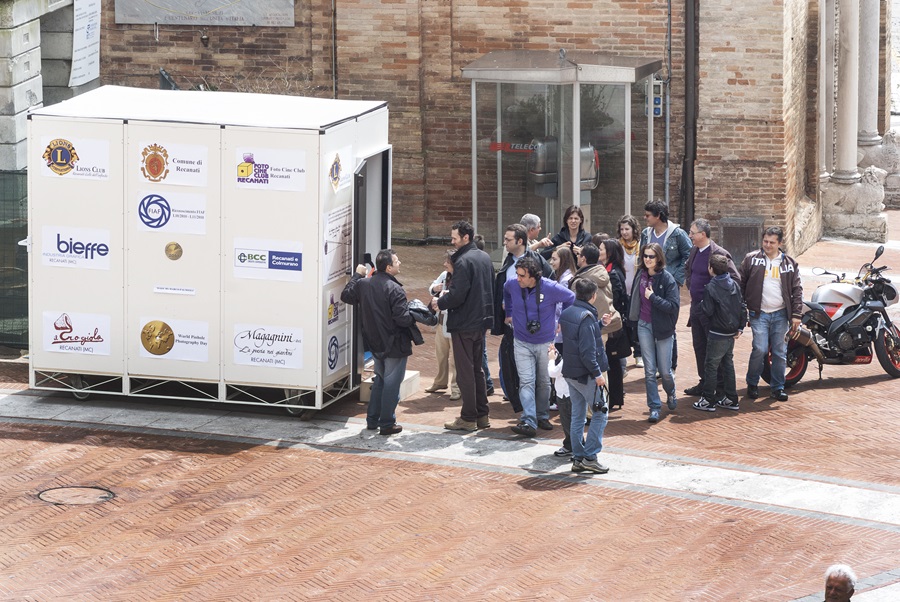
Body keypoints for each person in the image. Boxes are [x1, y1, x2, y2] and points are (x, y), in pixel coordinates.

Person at [340, 249, 413, 436]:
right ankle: (387, 423)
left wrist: (357, 275)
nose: (400, 263)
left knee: (380, 379)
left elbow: (346, 295)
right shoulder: (395, 289)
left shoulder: (364, 284)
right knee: (391, 384)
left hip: (375, 343)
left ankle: (372, 420)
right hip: (394, 345)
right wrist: (415, 313)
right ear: (388, 267)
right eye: (397, 261)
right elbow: (403, 319)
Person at [432, 220, 494, 431]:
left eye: (454, 238)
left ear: (465, 238)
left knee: (465, 371)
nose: (452, 242)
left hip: (464, 322)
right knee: (477, 369)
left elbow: (457, 295)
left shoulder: (463, 261)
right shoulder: (484, 257)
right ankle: (482, 414)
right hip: (480, 321)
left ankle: (468, 417)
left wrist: (439, 302)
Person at [504, 256, 575, 437]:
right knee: (526, 381)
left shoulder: (550, 287)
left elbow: (570, 297)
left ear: (533, 276)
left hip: (545, 342)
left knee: (543, 382)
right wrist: (509, 312)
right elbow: (505, 290)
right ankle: (528, 420)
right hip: (521, 341)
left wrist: (561, 319)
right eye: (517, 274)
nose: (518, 278)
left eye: (522, 276)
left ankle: (542, 415)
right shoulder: (512, 284)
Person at [739, 226, 803, 402]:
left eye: (772, 242)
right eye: (765, 241)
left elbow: (797, 290)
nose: (767, 245)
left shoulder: (789, 263)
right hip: (758, 313)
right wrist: (742, 308)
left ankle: (777, 387)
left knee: (779, 351)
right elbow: (741, 284)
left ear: (780, 243)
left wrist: (796, 314)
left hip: (780, 314)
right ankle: (752, 383)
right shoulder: (751, 259)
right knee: (759, 349)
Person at [683, 218, 740, 398]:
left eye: (692, 233)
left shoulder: (719, 254)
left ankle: (720, 387)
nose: (690, 235)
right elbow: (688, 270)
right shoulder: (694, 250)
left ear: (703, 234)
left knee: (715, 351)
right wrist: (691, 284)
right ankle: (705, 382)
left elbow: (735, 280)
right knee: (699, 346)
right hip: (696, 308)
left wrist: (716, 298)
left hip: (712, 313)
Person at [559, 278, 611, 474]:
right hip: (585, 374)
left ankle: (578, 457)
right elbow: (588, 352)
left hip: (570, 373)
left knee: (578, 416)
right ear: (593, 296)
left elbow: (578, 337)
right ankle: (590, 457)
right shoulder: (586, 317)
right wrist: (598, 374)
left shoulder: (568, 313)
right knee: (600, 412)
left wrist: (600, 324)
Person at [628, 242, 680, 423]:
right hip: (644, 325)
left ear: (659, 258)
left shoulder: (667, 279)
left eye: (651, 256)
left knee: (665, 371)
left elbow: (673, 306)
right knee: (649, 371)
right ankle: (654, 407)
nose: (647, 259)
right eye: (645, 256)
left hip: (663, 328)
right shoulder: (641, 275)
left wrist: (653, 298)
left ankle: (671, 392)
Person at [691, 254, 747, 412]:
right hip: (731, 332)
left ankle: (708, 399)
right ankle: (731, 398)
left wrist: (701, 306)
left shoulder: (710, 287)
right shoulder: (734, 284)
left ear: (711, 269)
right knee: (728, 364)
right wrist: (740, 327)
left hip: (717, 333)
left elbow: (708, 311)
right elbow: (742, 307)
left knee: (711, 366)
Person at [640, 200, 691, 370]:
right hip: (649, 285)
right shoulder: (646, 234)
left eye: (648, 215)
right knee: (650, 323)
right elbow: (642, 257)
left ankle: (670, 367)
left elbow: (688, 255)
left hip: (668, 285)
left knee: (668, 325)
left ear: (658, 216)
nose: (645, 218)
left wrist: (676, 278)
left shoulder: (677, 234)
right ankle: (655, 366)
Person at [425, 250, 460, 400]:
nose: (445, 264)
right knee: (441, 355)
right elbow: (431, 288)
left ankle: (456, 387)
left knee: (455, 359)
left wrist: (444, 296)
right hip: (441, 322)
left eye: (448, 262)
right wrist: (435, 289)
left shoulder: (461, 277)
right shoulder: (445, 275)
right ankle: (440, 382)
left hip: (455, 323)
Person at [600, 239, 630, 410]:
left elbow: (616, 298)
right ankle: (615, 397)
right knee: (613, 360)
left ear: (609, 253)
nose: (599, 251)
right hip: (611, 321)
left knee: (613, 360)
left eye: (601, 249)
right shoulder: (609, 270)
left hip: (612, 323)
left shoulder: (613, 273)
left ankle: (614, 397)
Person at [618, 214, 643, 368]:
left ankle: (639, 354)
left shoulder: (641, 246)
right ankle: (625, 353)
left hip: (637, 291)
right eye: (622, 229)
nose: (624, 232)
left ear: (634, 229)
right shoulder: (617, 246)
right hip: (623, 291)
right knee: (624, 323)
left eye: (627, 229)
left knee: (637, 323)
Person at [472, 234, 495, 395]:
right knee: (482, 349)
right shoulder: (487, 262)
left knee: (480, 350)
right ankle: (486, 383)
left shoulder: (478, 264)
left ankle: (486, 383)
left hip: (478, 314)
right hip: (485, 312)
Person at [547, 345, 572, 457]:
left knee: (568, 422)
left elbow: (552, 372)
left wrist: (551, 359)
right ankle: (573, 445)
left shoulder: (568, 359)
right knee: (572, 422)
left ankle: (572, 446)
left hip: (565, 395)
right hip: (567, 394)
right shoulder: (575, 355)